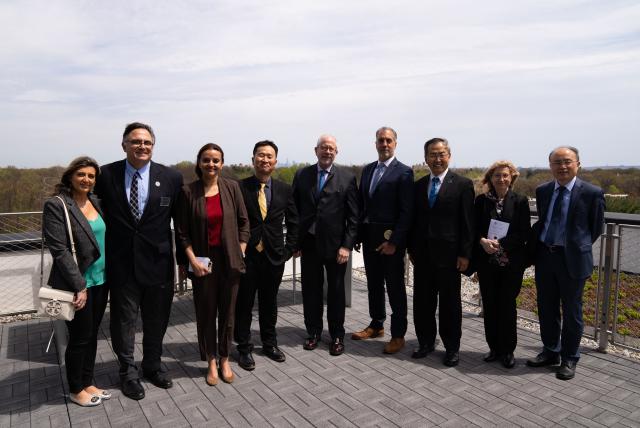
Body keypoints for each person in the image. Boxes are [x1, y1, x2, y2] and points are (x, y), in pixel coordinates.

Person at [93, 122, 185, 400]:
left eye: (147, 142)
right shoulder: (105, 175)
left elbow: (179, 223)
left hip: (159, 264)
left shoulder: (171, 177)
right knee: (123, 323)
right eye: (135, 142)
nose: (141, 146)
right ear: (124, 145)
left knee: (157, 320)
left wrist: (183, 260)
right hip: (121, 263)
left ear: (153, 146)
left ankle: (153, 366)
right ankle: (128, 372)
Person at [526, 146, 604, 380]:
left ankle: (570, 358)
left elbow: (595, 228)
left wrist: (573, 247)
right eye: (557, 162)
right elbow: (545, 220)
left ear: (578, 164)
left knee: (572, 311)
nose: (562, 166)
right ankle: (551, 351)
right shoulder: (543, 190)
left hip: (573, 260)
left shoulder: (592, 192)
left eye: (567, 161)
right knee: (546, 308)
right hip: (545, 257)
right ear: (550, 166)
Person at [176, 143, 249, 385]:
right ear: (199, 162)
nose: (211, 164)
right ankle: (210, 360)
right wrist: (191, 260)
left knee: (228, 313)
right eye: (206, 160)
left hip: (230, 261)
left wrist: (240, 251)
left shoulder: (232, 188)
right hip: (202, 263)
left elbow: (243, 223)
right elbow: (182, 232)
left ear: (222, 163)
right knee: (206, 313)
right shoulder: (188, 192)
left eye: (216, 160)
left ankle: (225, 358)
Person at [43, 156, 110, 407]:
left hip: (101, 280)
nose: (86, 179)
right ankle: (75, 389)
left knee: (92, 335)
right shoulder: (57, 205)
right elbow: (59, 250)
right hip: (78, 285)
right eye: (81, 174)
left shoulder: (96, 202)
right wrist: (79, 285)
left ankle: (88, 381)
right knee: (80, 337)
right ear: (70, 176)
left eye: (91, 176)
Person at [408, 138, 474, 366]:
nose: (437, 159)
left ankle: (451, 347)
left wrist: (465, 254)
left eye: (441, 154)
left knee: (449, 304)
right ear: (425, 158)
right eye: (432, 155)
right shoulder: (419, 185)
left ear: (449, 155)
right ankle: (426, 342)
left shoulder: (463, 184)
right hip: (423, 256)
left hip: (450, 256)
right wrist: (411, 249)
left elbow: (467, 223)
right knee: (423, 302)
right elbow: (414, 221)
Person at [292, 134, 359, 355]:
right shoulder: (302, 175)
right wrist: (296, 242)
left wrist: (347, 246)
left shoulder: (347, 178)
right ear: (316, 150)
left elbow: (354, 217)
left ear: (336, 152)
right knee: (310, 291)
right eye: (323, 148)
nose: (327, 151)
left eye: (331, 148)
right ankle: (313, 332)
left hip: (336, 247)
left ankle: (337, 335)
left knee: (336, 293)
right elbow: (295, 212)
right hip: (309, 245)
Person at [234, 140, 298, 370]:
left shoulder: (284, 189)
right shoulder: (239, 187)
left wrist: (288, 249)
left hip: (273, 257)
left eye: (269, 156)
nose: (265, 160)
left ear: (275, 162)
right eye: (261, 155)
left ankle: (269, 344)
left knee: (270, 303)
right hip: (247, 256)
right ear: (253, 159)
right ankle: (243, 348)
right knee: (244, 304)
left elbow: (293, 221)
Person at [352, 127, 413, 355]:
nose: (384, 144)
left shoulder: (404, 172)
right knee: (374, 285)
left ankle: (398, 335)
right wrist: (358, 236)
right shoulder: (368, 170)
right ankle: (376, 325)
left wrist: (395, 241)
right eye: (380, 140)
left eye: (388, 140)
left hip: (391, 242)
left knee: (395, 288)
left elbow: (407, 212)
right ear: (375, 143)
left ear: (395, 143)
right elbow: (361, 207)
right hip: (370, 239)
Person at [474, 161, 531, 369]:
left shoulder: (520, 201)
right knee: (489, 306)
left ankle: (508, 351)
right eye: (497, 175)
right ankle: (494, 348)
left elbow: (524, 232)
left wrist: (500, 244)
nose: (501, 179)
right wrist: (482, 241)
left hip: (510, 264)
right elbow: (472, 228)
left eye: (505, 175)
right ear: (490, 178)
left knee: (507, 306)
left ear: (512, 178)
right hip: (487, 263)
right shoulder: (481, 201)